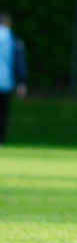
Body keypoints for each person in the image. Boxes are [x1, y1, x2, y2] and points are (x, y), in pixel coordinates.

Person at [0, 12, 28, 144]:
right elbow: (19, 62)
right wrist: (21, 82)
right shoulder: (13, 40)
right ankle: (1, 140)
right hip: (5, 82)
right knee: (3, 113)